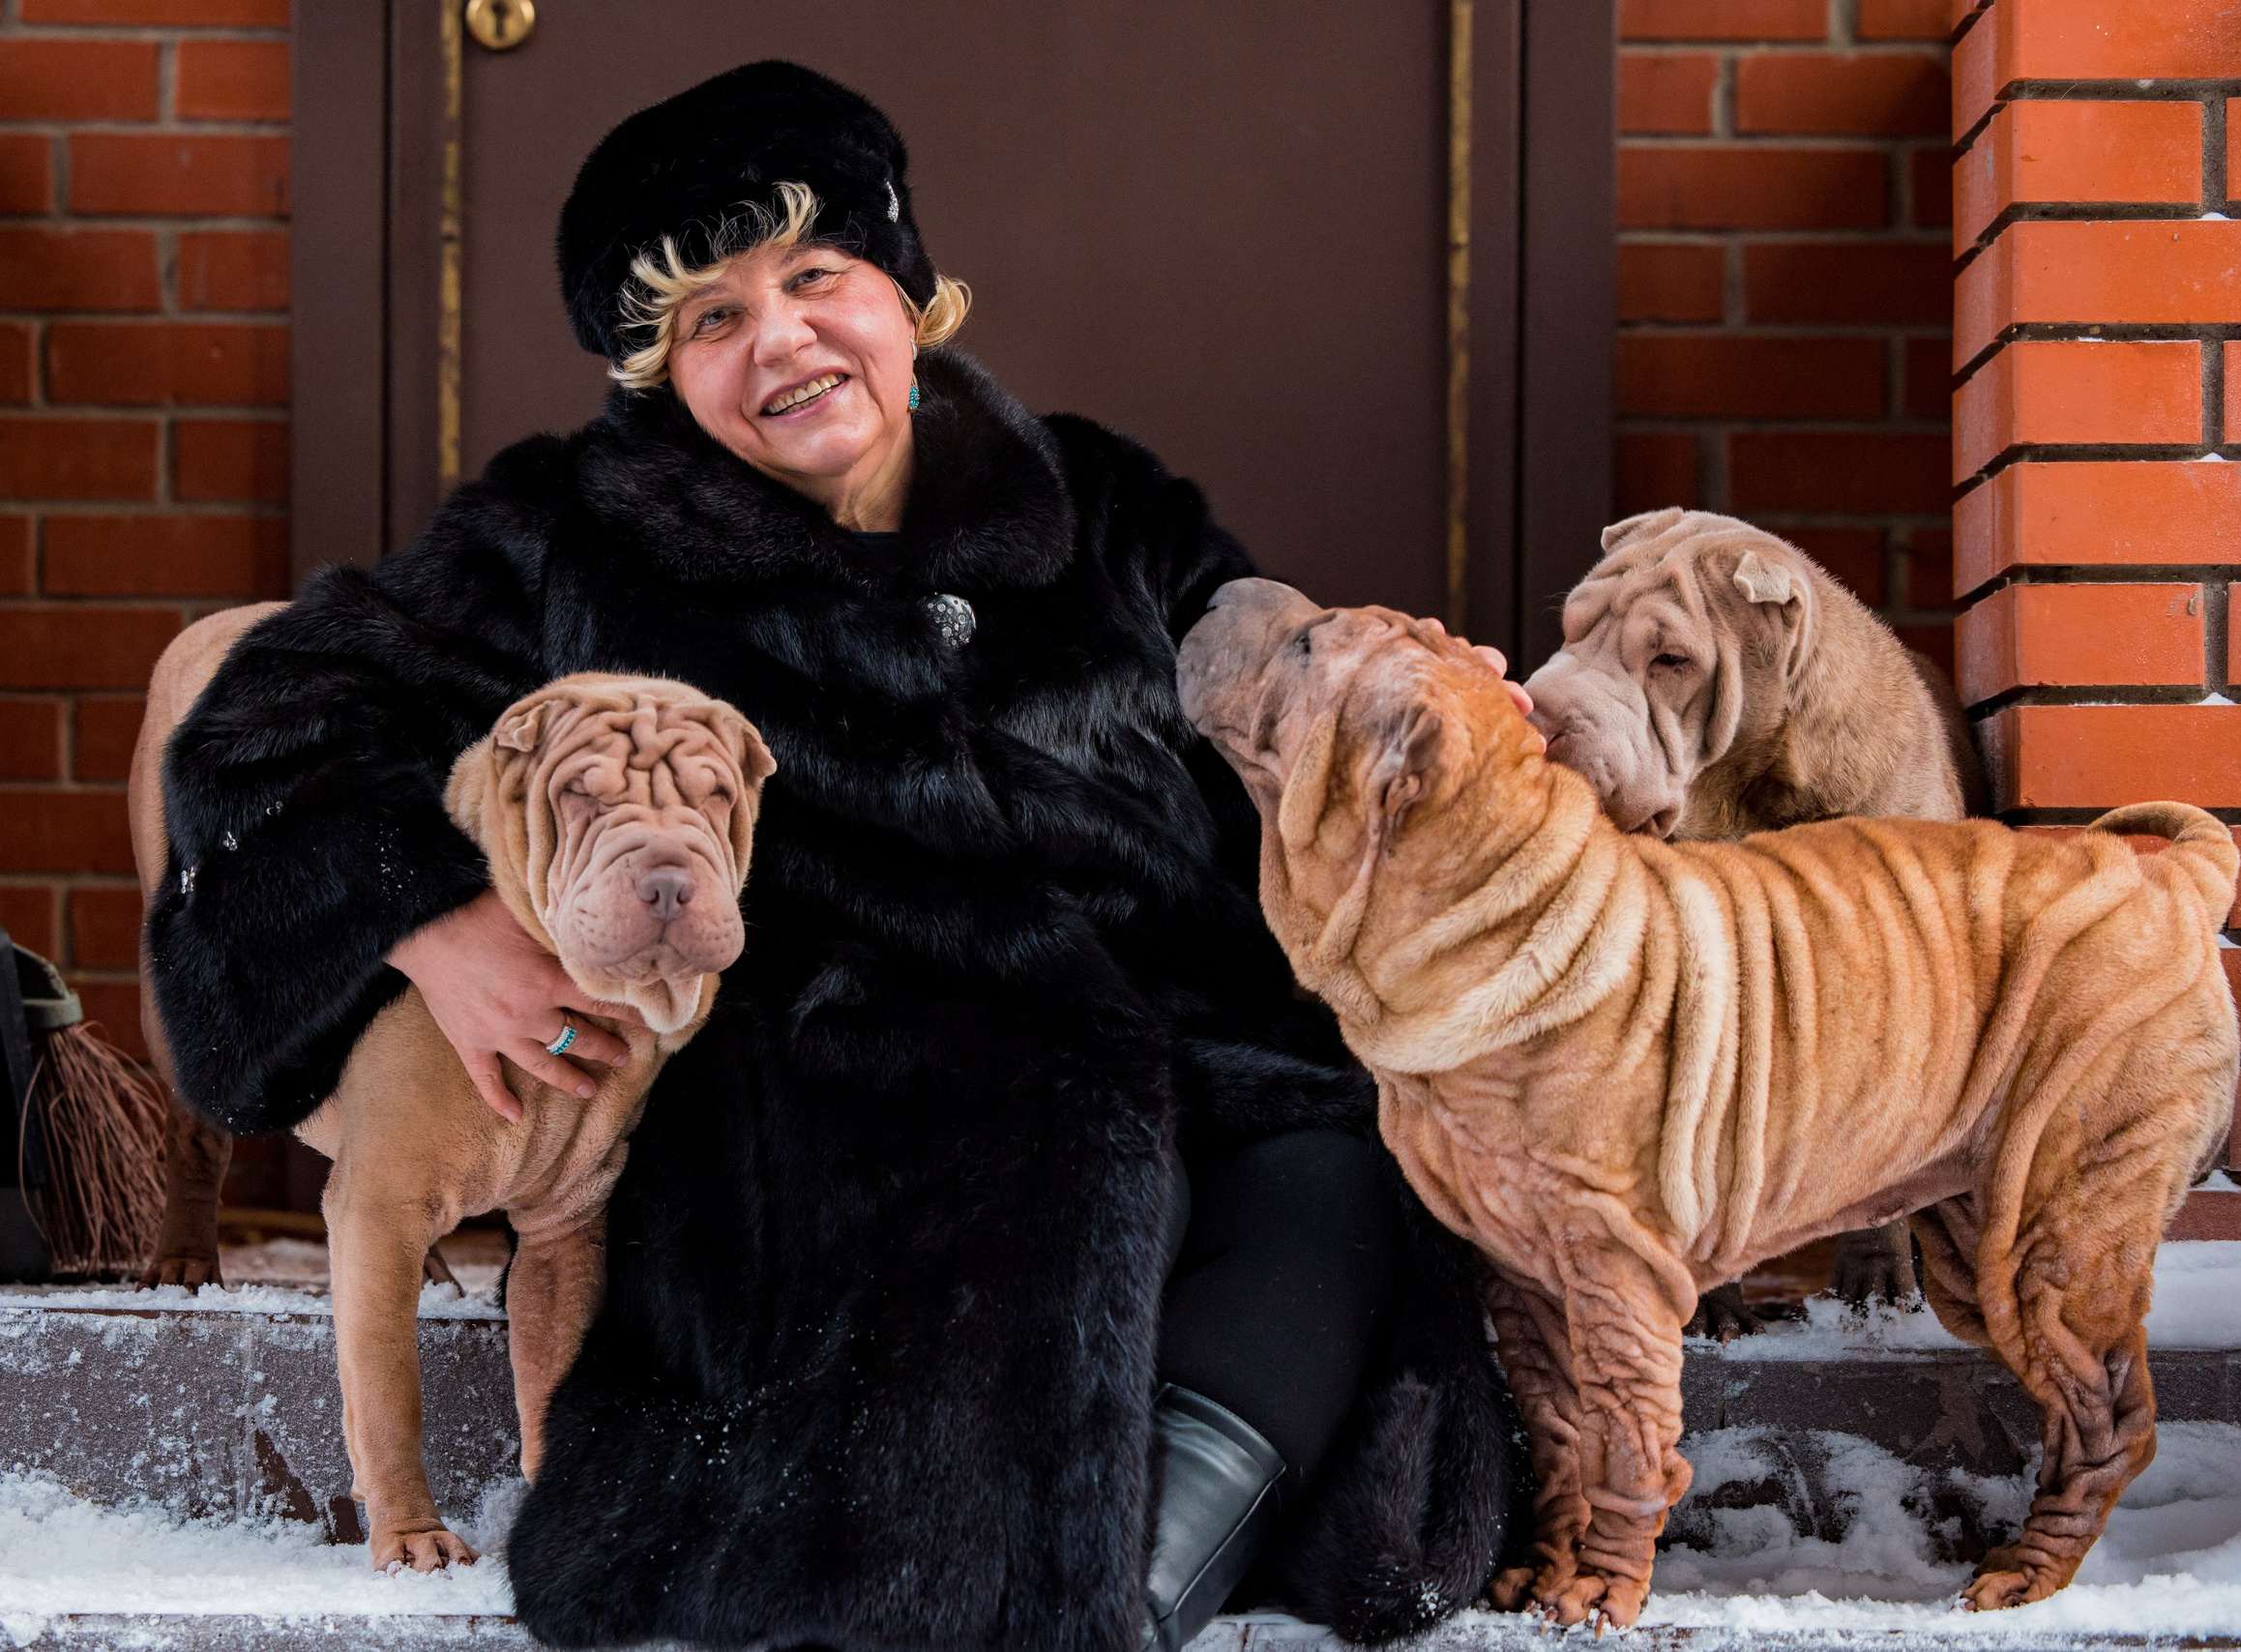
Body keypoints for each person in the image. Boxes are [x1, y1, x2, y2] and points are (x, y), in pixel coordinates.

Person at [146, 62, 1519, 1652]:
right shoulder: (565, 540)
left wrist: (1411, 703)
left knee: (1339, 1165)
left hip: (1177, 1056)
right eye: (711, 321)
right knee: (957, 1272)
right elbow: (266, 736)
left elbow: (1271, 676)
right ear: (661, 375)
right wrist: (434, 918)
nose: (780, 339)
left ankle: (1133, 1587)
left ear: (905, 294)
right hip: (822, 1112)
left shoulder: (1098, 505)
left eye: (815, 278)